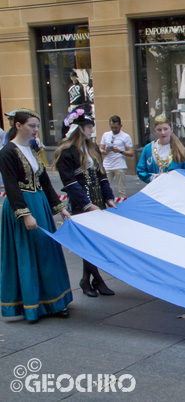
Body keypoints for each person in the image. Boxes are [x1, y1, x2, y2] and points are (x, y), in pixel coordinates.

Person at [0, 109, 72, 321]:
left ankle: (55, 302)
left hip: (40, 203)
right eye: (32, 125)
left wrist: (60, 209)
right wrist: (24, 214)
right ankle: (33, 305)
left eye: (37, 126)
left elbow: (45, 183)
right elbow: (11, 187)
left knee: (47, 251)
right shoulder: (7, 152)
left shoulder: (33, 148)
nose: (35, 130)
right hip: (22, 206)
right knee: (28, 254)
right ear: (18, 125)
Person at [54, 110, 117, 298]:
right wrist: (87, 204)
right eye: (89, 127)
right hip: (82, 202)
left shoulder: (92, 148)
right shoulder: (66, 152)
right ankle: (95, 279)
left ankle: (88, 279)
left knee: (94, 241)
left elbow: (102, 175)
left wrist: (109, 197)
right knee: (88, 242)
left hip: (97, 199)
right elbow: (70, 183)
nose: (92, 130)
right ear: (79, 129)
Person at [137, 114, 185, 183]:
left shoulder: (179, 149)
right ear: (155, 130)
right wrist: (155, 177)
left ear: (171, 129)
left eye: (165, 129)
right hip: (155, 189)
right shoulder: (148, 149)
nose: (163, 133)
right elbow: (141, 171)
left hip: (175, 188)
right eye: (159, 130)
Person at [99, 115, 133, 198]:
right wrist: (105, 151)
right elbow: (100, 148)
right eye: (112, 127)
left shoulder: (125, 136)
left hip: (119, 164)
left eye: (116, 127)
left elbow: (131, 152)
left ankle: (122, 203)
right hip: (107, 164)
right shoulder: (106, 135)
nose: (114, 129)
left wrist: (120, 151)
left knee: (121, 190)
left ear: (120, 126)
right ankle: (106, 202)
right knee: (104, 186)